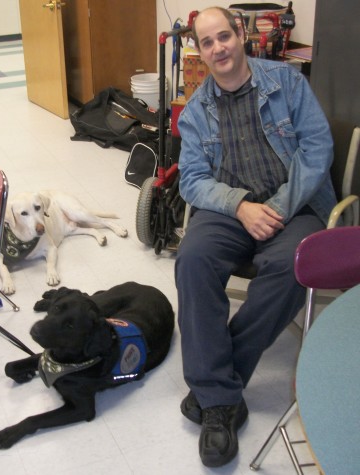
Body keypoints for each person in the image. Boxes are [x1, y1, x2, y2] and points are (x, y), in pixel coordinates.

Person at [175, 7, 337, 468]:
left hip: (295, 204)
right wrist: (241, 207)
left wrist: (278, 207)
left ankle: (214, 392)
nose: (218, 48)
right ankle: (222, 395)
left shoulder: (287, 84)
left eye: (223, 36)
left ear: (240, 34)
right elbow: (191, 180)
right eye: (207, 43)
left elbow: (317, 148)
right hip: (230, 208)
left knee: (292, 266)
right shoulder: (196, 111)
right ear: (200, 51)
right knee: (192, 259)